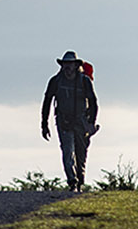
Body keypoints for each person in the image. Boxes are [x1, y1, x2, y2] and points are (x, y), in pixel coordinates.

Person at [41, 50, 99, 192]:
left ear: (75, 65)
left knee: (81, 153)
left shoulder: (84, 81)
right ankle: (72, 181)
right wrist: (44, 124)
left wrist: (91, 123)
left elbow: (93, 102)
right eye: (65, 64)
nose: (67, 67)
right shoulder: (55, 81)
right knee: (67, 151)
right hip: (64, 121)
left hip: (81, 122)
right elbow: (47, 101)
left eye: (70, 64)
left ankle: (80, 180)